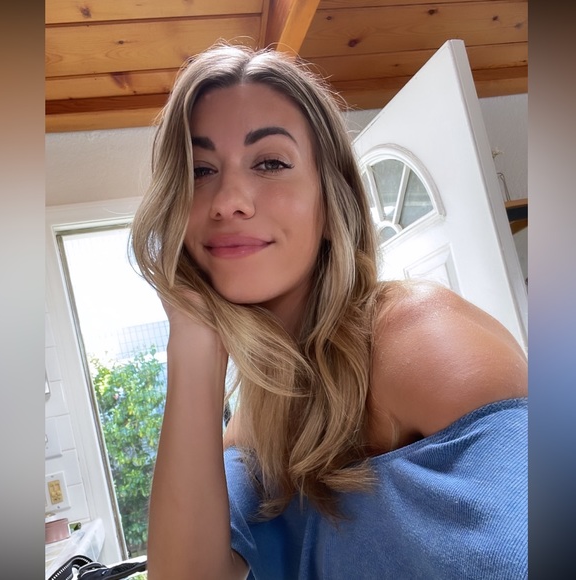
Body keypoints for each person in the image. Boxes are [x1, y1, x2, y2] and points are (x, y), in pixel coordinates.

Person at [130, 42, 527, 579]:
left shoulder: (424, 337)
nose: (227, 201)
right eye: (200, 170)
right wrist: (193, 342)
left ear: (330, 195)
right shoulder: (258, 415)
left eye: (270, 163)